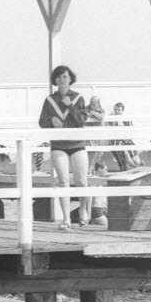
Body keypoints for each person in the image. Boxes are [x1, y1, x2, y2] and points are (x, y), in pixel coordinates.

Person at [39, 65, 90, 230]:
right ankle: (66, 218)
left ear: (71, 79)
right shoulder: (50, 100)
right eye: (59, 76)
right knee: (63, 180)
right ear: (55, 79)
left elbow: (81, 121)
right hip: (58, 144)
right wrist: (51, 119)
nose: (62, 79)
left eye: (65, 76)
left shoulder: (78, 98)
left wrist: (70, 105)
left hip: (77, 144)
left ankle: (83, 212)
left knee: (82, 181)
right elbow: (42, 121)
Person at [107, 102, 142, 171]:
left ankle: (138, 166)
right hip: (116, 140)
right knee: (125, 153)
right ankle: (138, 168)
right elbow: (113, 132)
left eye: (119, 110)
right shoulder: (111, 119)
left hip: (126, 139)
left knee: (135, 157)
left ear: (122, 111)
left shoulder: (126, 119)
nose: (117, 111)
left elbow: (130, 131)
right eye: (115, 110)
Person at [85, 95, 105, 171]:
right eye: (91, 103)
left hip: (97, 132)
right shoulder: (86, 107)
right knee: (90, 151)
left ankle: (93, 169)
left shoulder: (101, 109)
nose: (91, 105)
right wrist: (88, 113)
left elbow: (101, 117)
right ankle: (89, 169)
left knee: (99, 152)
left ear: (98, 103)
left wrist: (92, 112)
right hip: (88, 133)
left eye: (94, 104)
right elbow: (84, 115)